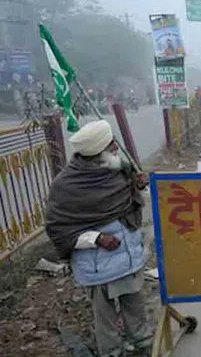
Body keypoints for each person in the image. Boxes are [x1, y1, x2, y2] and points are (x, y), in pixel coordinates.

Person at [45, 120, 152, 357]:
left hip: (128, 257)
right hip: (97, 266)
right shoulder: (66, 186)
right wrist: (96, 238)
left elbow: (131, 200)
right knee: (105, 319)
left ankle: (144, 347)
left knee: (135, 310)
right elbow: (58, 228)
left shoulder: (118, 169)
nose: (116, 147)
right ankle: (112, 353)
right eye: (111, 144)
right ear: (98, 152)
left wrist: (138, 185)